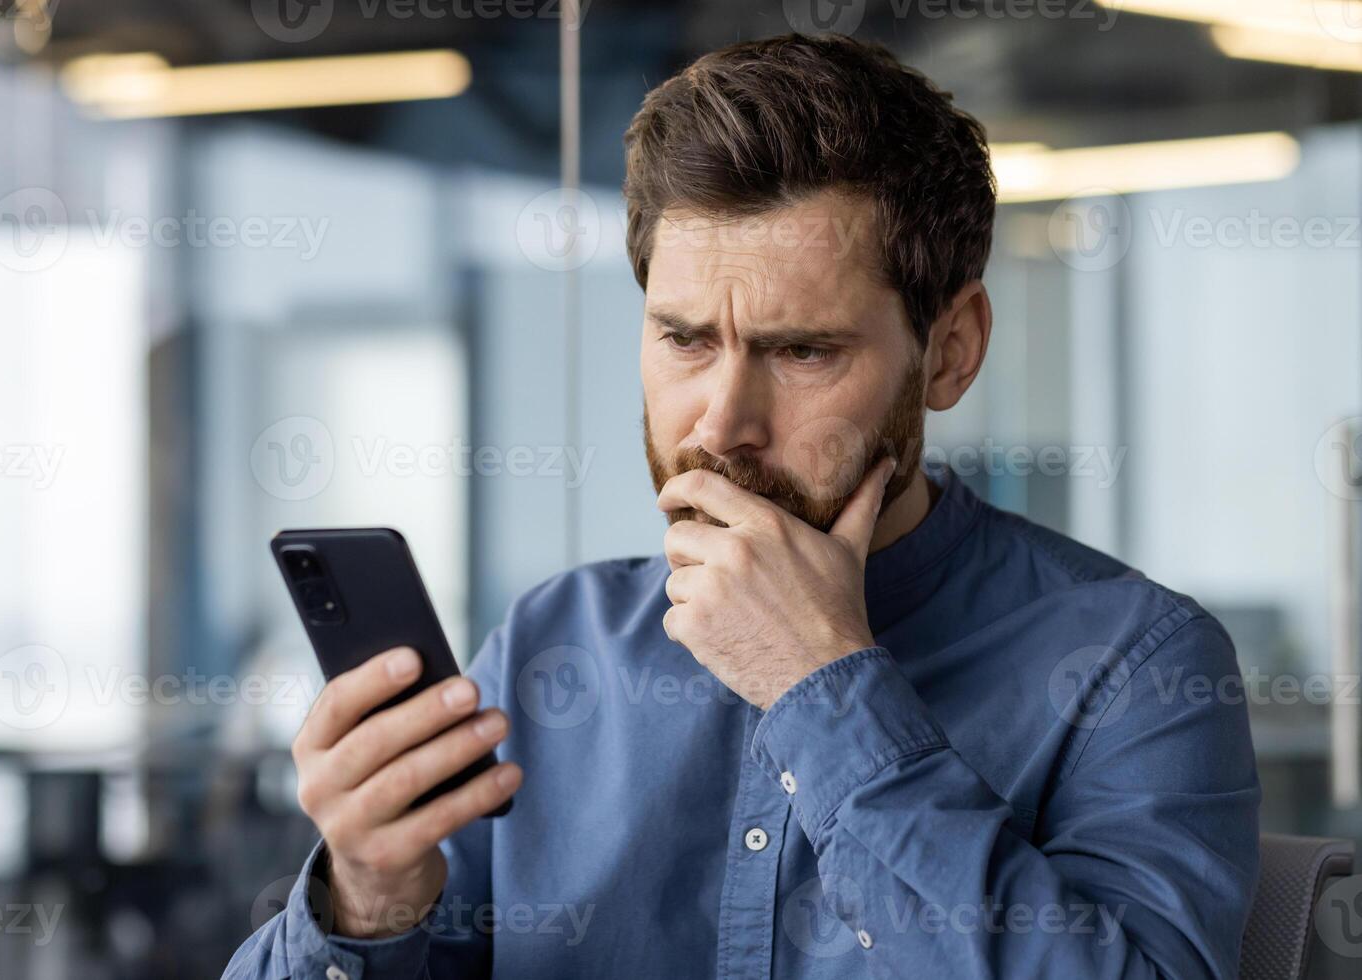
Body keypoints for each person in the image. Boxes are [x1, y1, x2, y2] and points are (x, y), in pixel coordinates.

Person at [225, 32, 1259, 980]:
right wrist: (369, 898)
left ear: (950, 350)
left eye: (802, 349)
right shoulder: (556, 641)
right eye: (684, 339)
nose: (722, 423)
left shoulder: (1137, 665)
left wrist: (825, 687)